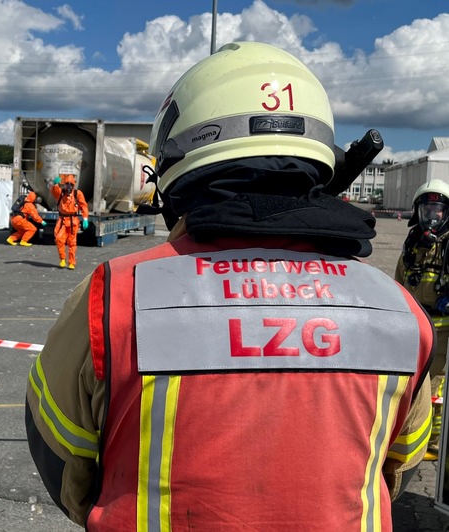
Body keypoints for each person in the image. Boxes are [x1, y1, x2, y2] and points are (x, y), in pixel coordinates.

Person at [25, 41, 434, 530]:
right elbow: (400, 465)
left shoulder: (112, 296)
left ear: (178, 160)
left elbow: (59, 457)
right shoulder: (400, 313)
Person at [395, 179, 449, 461]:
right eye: (427, 209)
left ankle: (433, 441)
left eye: (438, 210)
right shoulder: (412, 242)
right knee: (410, 384)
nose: (432, 216)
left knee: (435, 386)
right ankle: (410, 434)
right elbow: (399, 280)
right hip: (416, 325)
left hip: (442, 326)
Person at [49, 173, 89, 269]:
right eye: (67, 184)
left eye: (70, 184)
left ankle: (71, 262)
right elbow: (54, 191)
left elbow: (83, 206)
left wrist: (85, 218)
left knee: (72, 242)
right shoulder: (61, 193)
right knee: (59, 239)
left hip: (73, 221)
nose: (68, 186)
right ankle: (62, 259)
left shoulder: (77, 193)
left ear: (73, 185)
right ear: (64, 184)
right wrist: (55, 184)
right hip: (62, 220)